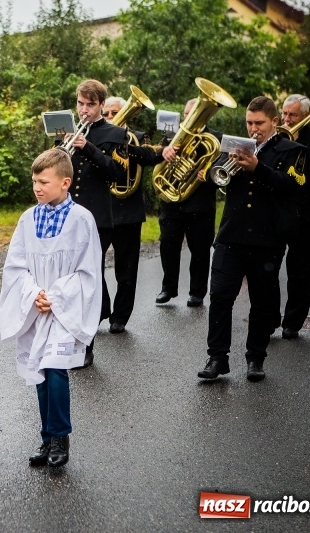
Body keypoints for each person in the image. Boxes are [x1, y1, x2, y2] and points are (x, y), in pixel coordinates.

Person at [0, 149, 102, 468]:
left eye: (44, 181)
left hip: (64, 306)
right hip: (35, 305)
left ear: (65, 182)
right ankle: (46, 439)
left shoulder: (82, 219)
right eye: (34, 181)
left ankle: (60, 436)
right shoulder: (28, 218)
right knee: (39, 369)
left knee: (56, 369)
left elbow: (87, 269)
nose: (37, 187)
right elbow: (15, 264)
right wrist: (33, 294)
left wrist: (55, 296)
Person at [198, 96, 305, 383]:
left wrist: (258, 166)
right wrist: (217, 170)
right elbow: (213, 176)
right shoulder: (236, 146)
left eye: (259, 123)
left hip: (267, 239)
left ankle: (255, 357)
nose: (253, 129)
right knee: (220, 296)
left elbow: (292, 186)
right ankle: (217, 357)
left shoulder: (292, 150)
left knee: (261, 302)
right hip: (230, 236)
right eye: (249, 122)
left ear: (274, 122)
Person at [65, 80, 126, 365]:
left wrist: (87, 147)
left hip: (96, 219)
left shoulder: (116, 133)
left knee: (88, 280)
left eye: (90, 104)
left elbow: (116, 172)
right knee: (66, 279)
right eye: (80, 103)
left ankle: (87, 345)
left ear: (101, 105)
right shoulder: (66, 129)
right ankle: (68, 336)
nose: (84, 110)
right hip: (66, 215)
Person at [101, 96, 162, 333]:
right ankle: (101, 309)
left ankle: (120, 317)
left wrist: (126, 145)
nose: (111, 117)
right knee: (92, 266)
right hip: (102, 210)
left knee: (126, 270)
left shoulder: (136, 135)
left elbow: (152, 156)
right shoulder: (97, 135)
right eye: (106, 114)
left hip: (128, 212)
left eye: (115, 112)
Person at [156, 98, 222, 308]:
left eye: (193, 114)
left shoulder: (217, 139)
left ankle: (197, 292)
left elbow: (222, 171)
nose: (189, 117)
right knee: (168, 245)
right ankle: (168, 288)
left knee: (200, 250)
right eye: (186, 113)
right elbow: (159, 163)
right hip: (172, 202)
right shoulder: (171, 136)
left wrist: (209, 175)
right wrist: (164, 153)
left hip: (200, 204)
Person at [276, 94, 310, 339]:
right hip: (277, 212)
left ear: (304, 116)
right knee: (268, 268)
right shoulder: (276, 134)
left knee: (300, 271)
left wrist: (295, 142)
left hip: (306, 215)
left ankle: (292, 322)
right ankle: (270, 317)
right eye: (284, 113)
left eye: (292, 115)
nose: (286, 119)